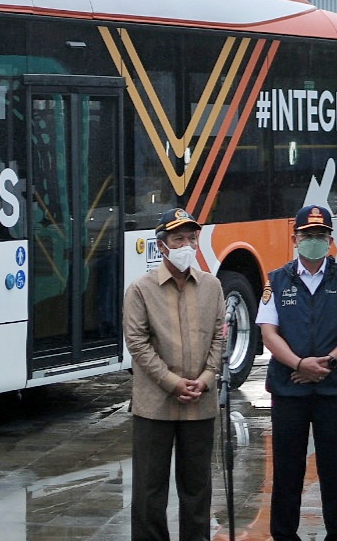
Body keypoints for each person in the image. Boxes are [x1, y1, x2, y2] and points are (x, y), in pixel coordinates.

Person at [257, 203, 337, 541]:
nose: (314, 241)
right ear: (295, 238)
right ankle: (283, 535)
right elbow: (268, 333)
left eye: (321, 235)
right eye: (308, 235)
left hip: (332, 388)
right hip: (288, 387)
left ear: (331, 239)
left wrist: (328, 363)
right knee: (287, 470)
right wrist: (298, 364)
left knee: (335, 468)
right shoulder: (276, 280)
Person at [123, 206, 227, 541]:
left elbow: (218, 336)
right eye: (177, 238)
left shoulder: (212, 286)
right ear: (162, 245)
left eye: (190, 238)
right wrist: (172, 383)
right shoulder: (141, 289)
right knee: (149, 492)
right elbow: (137, 343)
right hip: (155, 406)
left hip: (201, 402)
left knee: (197, 491)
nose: (185, 245)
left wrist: (207, 378)